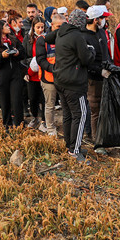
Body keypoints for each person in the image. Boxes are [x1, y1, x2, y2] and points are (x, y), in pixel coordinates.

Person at [45, 9, 93, 161]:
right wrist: (91, 50)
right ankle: (75, 150)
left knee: (68, 114)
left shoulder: (61, 32)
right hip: (74, 83)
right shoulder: (77, 36)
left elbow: (47, 38)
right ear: (81, 23)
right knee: (80, 115)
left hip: (60, 80)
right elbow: (85, 59)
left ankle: (69, 144)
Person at [0, 20, 27, 130]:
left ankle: (19, 125)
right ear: (0, 29)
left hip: (15, 75)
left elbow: (23, 52)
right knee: (4, 102)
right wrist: (1, 56)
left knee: (17, 100)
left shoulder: (13, 40)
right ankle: (7, 125)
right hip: (1, 77)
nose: (8, 27)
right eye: (5, 26)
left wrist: (17, 53)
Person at [84, 5, 114, 154]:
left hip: (106, 76)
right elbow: (86, 60)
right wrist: (99, 71)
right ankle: (97, 141)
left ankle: (106, 137)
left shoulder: (101, 32)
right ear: (96, 20)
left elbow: (106, 52)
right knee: (95, 110)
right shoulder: (84, 36)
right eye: (102, 18)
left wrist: (111, 66)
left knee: (106, 109)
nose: (104, 20)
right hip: (93, 79)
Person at [37, 14, 64, 136]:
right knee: (50, 105)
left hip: (64, 77)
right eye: (58, 26)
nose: (61, 29)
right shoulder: (43, 39)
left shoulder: (66, 37)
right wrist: (53, 69)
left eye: (63, 26)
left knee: (65, 105)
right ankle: (50, 128)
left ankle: (66, 127)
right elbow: (40, 59)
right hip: (48, 77)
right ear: (52, 25)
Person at [24, 18, 47, 129]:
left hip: (44, 73)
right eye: (38, 27)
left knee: (44, 99)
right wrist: (27, 69)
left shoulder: (47, 38)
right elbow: (24, 56)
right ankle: (35, 117)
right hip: (31, 73)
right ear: (33, 27)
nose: (40, 29)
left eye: (42, 27)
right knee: (33, 98)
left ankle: (44, 121)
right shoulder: (28, 39)